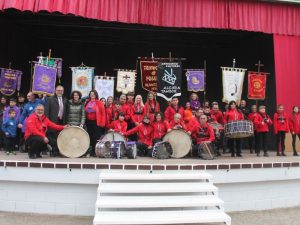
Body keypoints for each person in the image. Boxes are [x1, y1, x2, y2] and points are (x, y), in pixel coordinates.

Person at [44, 85, 68, 156]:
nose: (59, 92)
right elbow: (46, 111)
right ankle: (53, 151)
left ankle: (60, 151)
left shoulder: (65, 99)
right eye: (58, 90)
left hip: (62, 120)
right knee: (52, 136)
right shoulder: (50, 99)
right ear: (55, 91)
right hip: (52, 120)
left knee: (61, 136)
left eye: (61, 90)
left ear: (63, 92)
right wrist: (47, 121)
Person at [85, 90, 106, 156]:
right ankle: (91, 150)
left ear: (96, 95)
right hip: (88, 122)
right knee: (90, 136)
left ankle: (96, 151)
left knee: (96, 136)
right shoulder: (87, 102)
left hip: (96, 122)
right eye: (91, 94)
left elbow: (103, 114)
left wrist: (102, 123)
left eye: (93, 94)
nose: (92, 95)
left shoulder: (99, 103)